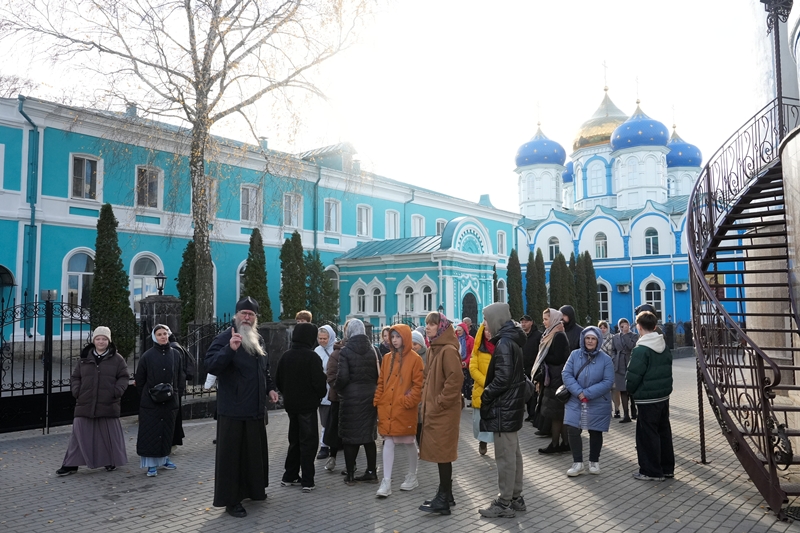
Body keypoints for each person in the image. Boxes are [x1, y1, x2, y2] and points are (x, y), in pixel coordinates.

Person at [205, 297, 279, 518]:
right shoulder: (224, 338)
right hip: (233, 410)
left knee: (253, 455)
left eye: (251, 314)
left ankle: (253, 490)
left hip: (254, 409)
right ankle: (231, 500)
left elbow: (264, 369)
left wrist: (270, 389)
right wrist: (229, 349)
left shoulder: (258, 339)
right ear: (236, 315)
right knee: (232, 458)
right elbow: (210, 366)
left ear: (255, 318)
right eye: (243, 313)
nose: (247, 317)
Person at [56, 326, 129, 476]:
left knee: (108, 434)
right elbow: (76, 377)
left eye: (104, 339)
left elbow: (124, 377)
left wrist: (117, 391)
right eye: (98, 338)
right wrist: (77, 390)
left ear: (109, 341)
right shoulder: (85, 358)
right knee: (79, 434)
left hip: (108, 401)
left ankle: (110, 460)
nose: (101, 341)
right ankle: (71, 464)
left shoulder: (117, 359)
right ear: (93, 340)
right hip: (85, 401)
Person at [477, 303, 527, 518]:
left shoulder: (504, 343)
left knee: (505, 457)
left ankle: (504, 502)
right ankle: (515, 497)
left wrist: (486, 394)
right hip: (510, 406)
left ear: (496, 319)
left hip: (503, 407)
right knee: (513, 454)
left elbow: (502, 379)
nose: (485, 324)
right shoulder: (510, 339)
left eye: (486, 319)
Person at [418, 312, 464, 516]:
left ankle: (443, 498)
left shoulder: (448, 350)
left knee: (443, 454)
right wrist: (425, 397)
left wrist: (439, 403)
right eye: (426, 324)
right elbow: (426, 377)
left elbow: (455, 380)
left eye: (432, 324)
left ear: (442, 327)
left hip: (444, 412)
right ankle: (447, 494)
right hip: (435, 410)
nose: (427, 327)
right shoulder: (433, 349)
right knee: (440, 453)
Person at [276, 322, 328, 493]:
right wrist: (318, 395)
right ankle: (307, 480)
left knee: (294, 440)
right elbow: (319, 383)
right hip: (307, 406)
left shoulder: (286, 356)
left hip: (291, 406)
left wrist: (288, 394)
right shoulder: (312, 357)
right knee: (308, 442)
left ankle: (289, 475)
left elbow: (278, 380)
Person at [373, 324, 424, 498]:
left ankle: (412, 475)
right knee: (389, 440)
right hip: (388, 406)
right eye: (392, 337)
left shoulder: (415, 359)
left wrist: (407, 401)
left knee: (409, 441)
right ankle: (386, 481)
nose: (394, 340)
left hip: (404, 408)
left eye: (397, 337)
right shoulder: (387, 358)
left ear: (405, 338)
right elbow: (381, 381)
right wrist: (378, 400)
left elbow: (418, 385)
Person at [626, 311, 674, 481]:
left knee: (647, 436)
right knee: (664, 432)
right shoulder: (663, 345)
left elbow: (633, 376)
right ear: (654, 326)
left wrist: (630, 390)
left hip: (647, 399)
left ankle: (651, 471)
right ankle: (667, 468)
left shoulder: (641, 349)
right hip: (663, 396)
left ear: (638, 327)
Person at [561, 327, 614, 477]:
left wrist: (587, 394)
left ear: (598, 340)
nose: (590, 341)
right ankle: (577, 463)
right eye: (587, 338)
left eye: (593, 339)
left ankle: (594, 461)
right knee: (573, 429)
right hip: (575, 399)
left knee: (595, 431)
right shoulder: (574, 355)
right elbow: (566, 374)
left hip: (597, 401)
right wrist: (579, 392)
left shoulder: (606, 359)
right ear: (583, 339)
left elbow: (608, 381)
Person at [135, 324, 185, 477]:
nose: (163, 337)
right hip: (151, 402)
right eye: (159, 334)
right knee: (150, 432)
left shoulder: (175, 354)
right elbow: (140, 379)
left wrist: (176, 394)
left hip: (169, 401)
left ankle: (164, 458)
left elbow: (179, 376)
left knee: (166, 432)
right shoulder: (147, 356)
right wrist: (147, 396)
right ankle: (151, 464)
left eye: (165, 334)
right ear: (154, 337)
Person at [334, 318, 380, 485]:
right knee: (369, 436)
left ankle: (351, 475)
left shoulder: (345, 351)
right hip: (370, 396)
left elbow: (343, 377)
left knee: (350, 437)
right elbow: (379, 374)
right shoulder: (374, 350)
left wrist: (337, 388)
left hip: (351, 398)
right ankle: (371, 472)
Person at [533, 308, 572, 455]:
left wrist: (543, 357)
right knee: (558, 415)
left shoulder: (558, 335)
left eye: (546, 319)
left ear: (554, 319)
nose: (544, 322)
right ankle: (565, 443)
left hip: (557, 378)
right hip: (553, 377)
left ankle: (556, 444)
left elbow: (559, 358)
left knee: (557, 415)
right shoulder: (551, 333)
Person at [469, 321, 495, 456]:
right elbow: (473, 368)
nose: (488, 333)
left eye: (491, 330)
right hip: (481, 390)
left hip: (497, 390)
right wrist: (487, 382)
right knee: (480, 420)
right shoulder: (478, 348)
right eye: (486, 330)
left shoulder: (501, 347)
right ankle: (482, 442)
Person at [323, 327, 346, 473]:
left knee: (349, 431)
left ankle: (350, 463)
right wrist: (340, 389)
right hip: (337, 398)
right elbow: (331, 375)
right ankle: (332, 456)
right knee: (333, 429)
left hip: (352, 399)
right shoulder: (336, 353)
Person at [609, 318, 638, 423]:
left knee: (631, 389)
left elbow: (632, 346)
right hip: (619, 365)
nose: (623, 328)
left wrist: (626, 334)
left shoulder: (634, 336)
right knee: (622, 390)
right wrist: (614, 359)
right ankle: (626, 415)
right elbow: (613, 350)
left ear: (628, 326)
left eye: (625, 325)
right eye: (621, 326)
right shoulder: (615, 337)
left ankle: (634, 408)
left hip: (630, 363)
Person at [315, 325, 336, 460]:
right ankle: (324, 445)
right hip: (322, 391)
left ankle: (330, 444)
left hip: (333, 390)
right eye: (320, 338)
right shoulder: (317, 351)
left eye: (325, 338)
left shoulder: (336, 349)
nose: (322, 341)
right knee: (324, 421)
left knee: (333, 420)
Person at [520, 314, 542, 423]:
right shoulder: (520, 335)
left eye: (526, 322)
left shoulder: (538, 335)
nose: (523, 324)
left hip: (534, 367)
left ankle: (534, 414)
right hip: (523, 367)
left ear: (531, 323)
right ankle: (529, 413)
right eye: (522, 322)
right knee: (526, 391)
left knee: (534, 393)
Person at [411, 330, 428, 445]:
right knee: (416, 420)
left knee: (423, 419)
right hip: (413, 391)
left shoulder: (428, 355)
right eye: (411, 344)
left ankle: (423, 445)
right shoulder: (409, 356)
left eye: (415, 344)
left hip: (424, 390)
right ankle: (420, 445)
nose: (413, 347)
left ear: (421, 344)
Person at [456, 323, 474, 405]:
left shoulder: (470, 339)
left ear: (464, 330)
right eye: (457, 330)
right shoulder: (455, 339)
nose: (458, 332)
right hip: (457, 364)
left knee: (468, 384)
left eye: (460, 330)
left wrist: (466, 362)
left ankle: (469, 400)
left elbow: (472, 352)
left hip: (467, 366)